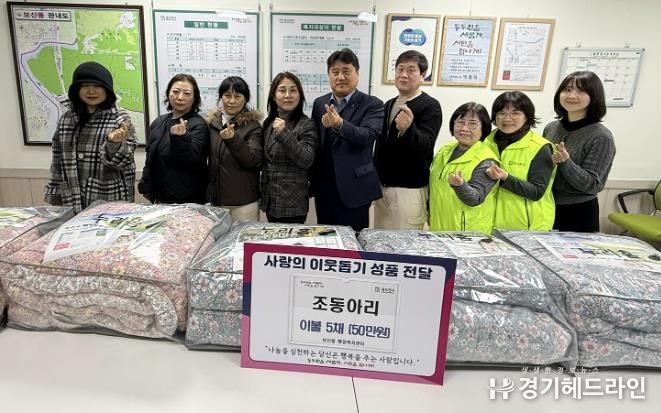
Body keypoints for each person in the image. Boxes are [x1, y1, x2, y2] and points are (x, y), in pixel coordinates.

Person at [44, 61, 136, 214]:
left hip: (108, 196)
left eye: (98, 86)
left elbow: (126, 162)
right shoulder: (67, 119)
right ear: (77, 90)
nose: (91, 91)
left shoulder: (120, 119)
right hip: (71, 196)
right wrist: (54, 194)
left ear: (107, 89)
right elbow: (57, 159)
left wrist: (114, 144)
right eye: (85, 86)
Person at [310, 48, 384, 232]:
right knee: (325, 239)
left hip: (355, 189)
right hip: (325, 188)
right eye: (335, 72)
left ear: (357, 74)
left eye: (346, 71)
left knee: (354, 240)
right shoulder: (320, 103)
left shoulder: (372, 104)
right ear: (329, 75)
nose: (340, 77)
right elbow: (317, 143)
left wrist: (339, 124)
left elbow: (367, 136)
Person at [374, 50, 442, 229]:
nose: (403, 74)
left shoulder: (430, 106)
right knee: (379, 241)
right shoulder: (389, 104)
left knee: (405, 243)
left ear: (423, 75)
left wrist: (408, 128)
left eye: (411, 70)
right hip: (382, 189)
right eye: (400, 69)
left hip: (409, 191)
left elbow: (426, 145)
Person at [543, 71, 616, 232]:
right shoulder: (551, 128)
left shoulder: (601, 137)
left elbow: (592, 185)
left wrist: (566, 163)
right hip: (546, 205)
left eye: (581, 91)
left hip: (578, 212)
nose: (572, 95)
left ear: (594, 96)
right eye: (567, 89)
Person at [483, 91, 556, 231]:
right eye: (501, 113)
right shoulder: (485, 141)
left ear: (527, 116)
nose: (507, 118)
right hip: (487, 225)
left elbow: (536, 191)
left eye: (515, 113)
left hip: (526, 227)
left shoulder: (540, 147)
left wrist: (505, 178)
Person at [138, 74, 209, 204]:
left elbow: (193, 161)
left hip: (188, 200)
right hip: (159, 197)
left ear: (194, 98)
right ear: (168, 94)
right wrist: (145, 186)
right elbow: (150, 157)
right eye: (176, 92)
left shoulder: (199, 124)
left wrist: (181, 138)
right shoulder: (158, 122)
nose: (180, 97)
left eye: (187, 93)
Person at [429, 103, 499, 233]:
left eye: (472, 124)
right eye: (460, 122)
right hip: (439, 227)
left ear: (483, 127)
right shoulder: (444, 151)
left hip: (468, 233)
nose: (464, 128)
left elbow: (475, 198)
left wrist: (460, 186)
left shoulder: (486, 160)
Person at [261, 72, 318, 223]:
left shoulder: (306, 124)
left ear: (300, 96)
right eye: (282, 90)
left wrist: (284, 133)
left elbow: (306, 160)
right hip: (271, 200)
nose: (287, 95)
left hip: (293, 203)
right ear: (274, 96)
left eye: (293, 90)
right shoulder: (268, 123)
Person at [205, 76, 263, 221]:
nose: (231, 101)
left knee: (245, 236)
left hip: (243, 202)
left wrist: (232, 139)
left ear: (245, 99)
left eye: (237, 96)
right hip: (216, 201)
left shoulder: (252, 126)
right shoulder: (212, 124)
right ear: (220, 97)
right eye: (227, 95)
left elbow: (253, 160)